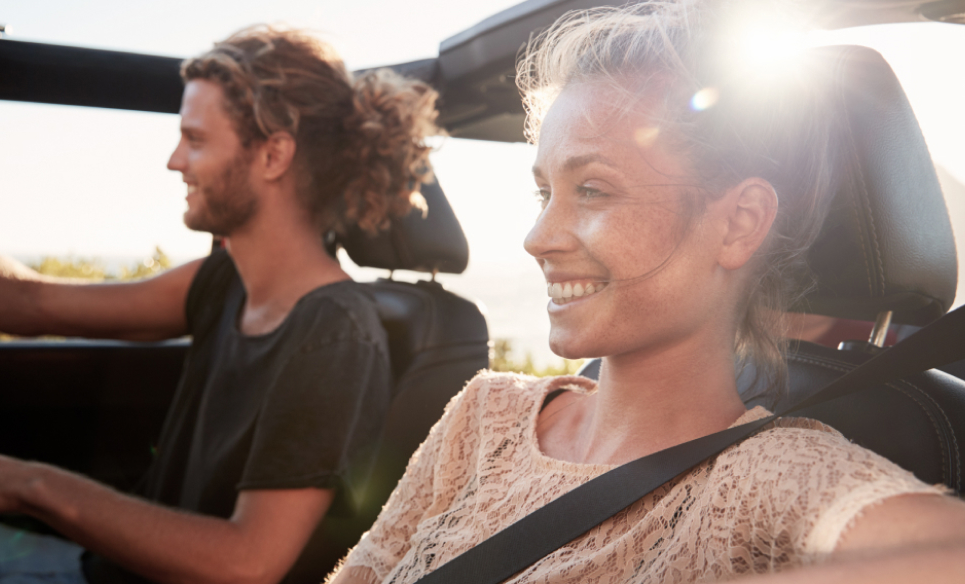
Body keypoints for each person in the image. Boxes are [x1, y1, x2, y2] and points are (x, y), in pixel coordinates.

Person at [327, 2, 965, 583]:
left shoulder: (775, 479)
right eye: (545, 192)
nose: (538, 237)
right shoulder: (484, 414)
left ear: (738, 224)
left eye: (594, 191)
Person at [0, 26, 438, 584]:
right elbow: (30, 302)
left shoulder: (335, 333)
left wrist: (25, 484)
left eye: (196, 139)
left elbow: (246, 565)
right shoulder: (222, 282)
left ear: (273, 155)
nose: (174, 160)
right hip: (93, 565)